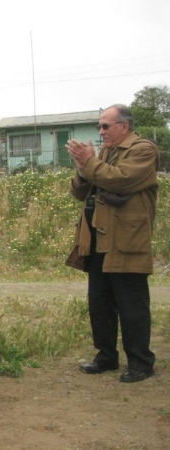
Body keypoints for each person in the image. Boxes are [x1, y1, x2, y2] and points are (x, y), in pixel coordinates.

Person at [66, 104, 159, 383]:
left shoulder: (143, 150)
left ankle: (141, 363)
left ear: (124, 126)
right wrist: (83, 167)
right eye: (99, 126)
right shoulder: (105, 154)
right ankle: (106, 356)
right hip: (97, 239)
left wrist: (91, 163)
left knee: (132, 304)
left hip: (126, 239)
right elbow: (79, 192)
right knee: (100, 303)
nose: (101, 131)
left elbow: (121, 180)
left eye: (106, 126)